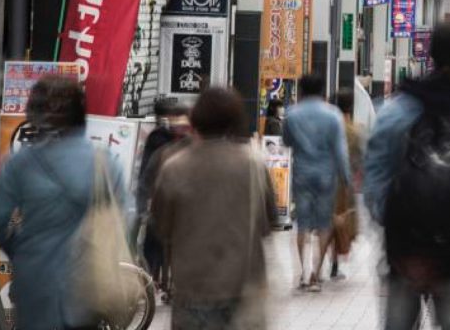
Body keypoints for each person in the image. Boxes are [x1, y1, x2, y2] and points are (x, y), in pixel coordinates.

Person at [363, 23, 450, 330]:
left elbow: (374, 184)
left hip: (403, 255)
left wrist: (397, 231)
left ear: (429, 55)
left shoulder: (396, 111)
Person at [0, 76, 126, 330]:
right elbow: (123, 217)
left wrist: (26, 248)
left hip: (35, 281)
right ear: (80, 115)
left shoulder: (19, 164)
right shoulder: (104, 163)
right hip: (87, 284)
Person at [152, 87, 276, 330]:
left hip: (192, 289)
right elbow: (267, 223)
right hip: (241, 290)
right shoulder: (252, 165)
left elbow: (161, 226)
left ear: (195, 119)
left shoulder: (174, 166)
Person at [283, 74, 351, 292]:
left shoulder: (292, 114)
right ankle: (316, 274)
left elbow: (286, 141)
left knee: (302, 224)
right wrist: (347, 178)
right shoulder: (333, 115)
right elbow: (340, 150)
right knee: (323, 224)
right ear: (323, 91)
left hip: (302, 173)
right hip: (326, 175)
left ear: (301, 91)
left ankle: (303, 274)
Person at [136, 97, 191, 298]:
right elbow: (146, 175)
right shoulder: (159, 141)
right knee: (154, 244)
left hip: (184, 207)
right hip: (160, 204)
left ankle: (173, 285)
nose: (178, 124)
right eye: (174, 119)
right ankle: (150, 285)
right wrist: (143, 206)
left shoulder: (194, 145)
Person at [328, 90, 363, 280]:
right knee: (342, 221)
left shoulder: (329, 126)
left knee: (329, 221)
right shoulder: (354, 130)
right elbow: (359, 159)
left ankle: (328, 262)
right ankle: (334, 262)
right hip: (344, 182)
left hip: (326, 178)